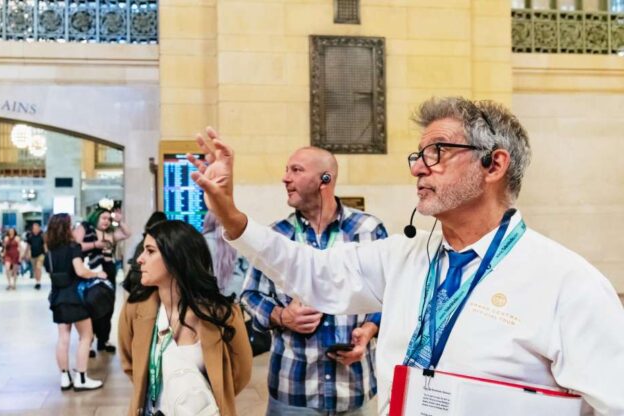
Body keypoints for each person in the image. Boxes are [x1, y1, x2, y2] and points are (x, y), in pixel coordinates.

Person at [188, 97, 624, 414]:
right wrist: (232, 217)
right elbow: (313, 270)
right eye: (419, 155)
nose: (418, 167)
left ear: (493, 166)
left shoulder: (567, 283)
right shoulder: (403, 257)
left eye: (438, 152)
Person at [241, 146, 386, 416]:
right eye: (286, 170)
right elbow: (250, 295)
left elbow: (390, 296)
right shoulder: (277, 236)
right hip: (293, 392)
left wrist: (368, 330)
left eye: (296, 170)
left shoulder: (368, 231)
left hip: (353, 389)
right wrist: (282, 316)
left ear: (325, 179)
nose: (285, 178)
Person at [118, 220, 252, 416]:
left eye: (150, 251)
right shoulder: (135, 309)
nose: (140, 259)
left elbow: (239, 375)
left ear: (176, 258)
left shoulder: (224, 315)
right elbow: (131, 366)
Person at [45, 213, 108, 391]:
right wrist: (97, 274)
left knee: (63, 338)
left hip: (57, 297)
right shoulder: (73, 247)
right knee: (86, 336)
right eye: (71, 226)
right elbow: (80, 271)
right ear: (66, 228)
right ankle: (81, 377)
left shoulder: (50, 250)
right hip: (75, 297)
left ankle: (65, 377)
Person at [81, 207, 132, 355]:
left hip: (109, 270)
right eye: (103, 218)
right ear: (95, 218)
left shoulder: (110, 234)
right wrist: (95, 245)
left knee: (108, 307)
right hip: (93, 270)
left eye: (108, 219)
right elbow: (78, 246)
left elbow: (127, 233)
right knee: (91, 306)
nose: (106, 221)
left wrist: (119, 221)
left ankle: (104, 340)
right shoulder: (88, 232)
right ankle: (89, 342)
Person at [201, 212, 250, 298]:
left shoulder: (201, 241)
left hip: (208, 294)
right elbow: (248, 270)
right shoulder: (239, 241)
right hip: (236, 293)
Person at [122, 211, 167, 293]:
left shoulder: (142, 240)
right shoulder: (151, 241)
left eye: (150, 251)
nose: (139, 259)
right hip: (141, 284)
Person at [25, 222, 46, 290]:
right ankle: (37, 281)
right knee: (35, 269)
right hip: (33, 255)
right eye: (34, 228)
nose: (35, 229)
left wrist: (47, 253)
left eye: (37, 228)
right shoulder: (30, 236)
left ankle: (38, 282)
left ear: (39, 228)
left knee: (38, 267)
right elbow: (28, 246)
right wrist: (26, 254)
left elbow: (45, 245)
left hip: (41, 254)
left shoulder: (42, 236)